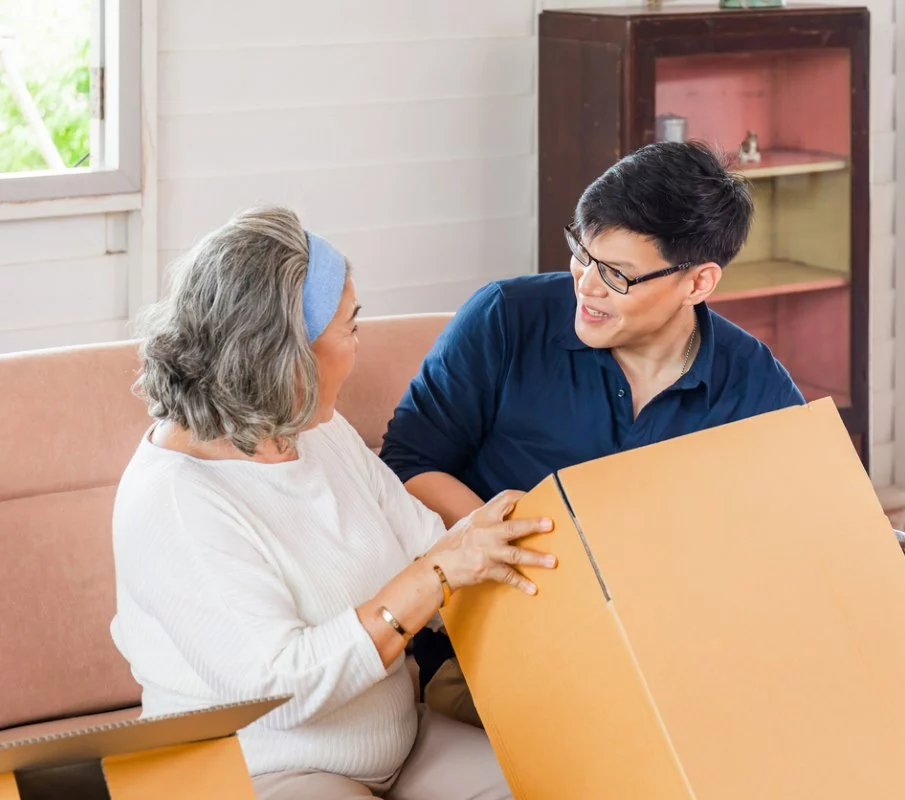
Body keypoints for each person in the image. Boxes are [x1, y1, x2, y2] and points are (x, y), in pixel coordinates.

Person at [108, 207, 557, 800]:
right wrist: (438, 573)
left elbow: (427, 544)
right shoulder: (174, 501)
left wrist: (511, 551)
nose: (358, 346)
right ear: (283, 357)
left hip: (399, 744)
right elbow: (280, 688)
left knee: (557, 781)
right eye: (349, 327)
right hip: (259, 770)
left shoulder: (310, 427)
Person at [379, 140, 806, 726]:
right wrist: (499, 547)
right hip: (497, 637)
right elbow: (406, 462)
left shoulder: (753, 383)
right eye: (581, 252)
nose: (585, 284)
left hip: (673, 642)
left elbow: (798, 533)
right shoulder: (505, 317)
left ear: (698, 283)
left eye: (615, 274)